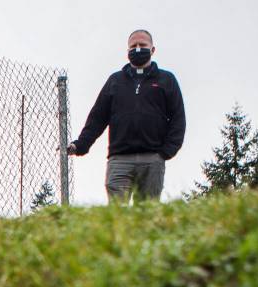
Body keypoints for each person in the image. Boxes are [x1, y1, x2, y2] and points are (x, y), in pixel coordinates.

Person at [67, 29, 185, 203]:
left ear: (152, 50)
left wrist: (166, 152)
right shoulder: (115, 81)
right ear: (127, 51)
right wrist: (80, 145)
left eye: (142, 45)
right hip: (119, 160)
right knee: (117, 216)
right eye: (133, 46)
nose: (138, 49)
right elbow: (98, 117)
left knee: (147, 215)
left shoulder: (166, 80)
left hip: (152, 160)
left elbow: (178, 118)